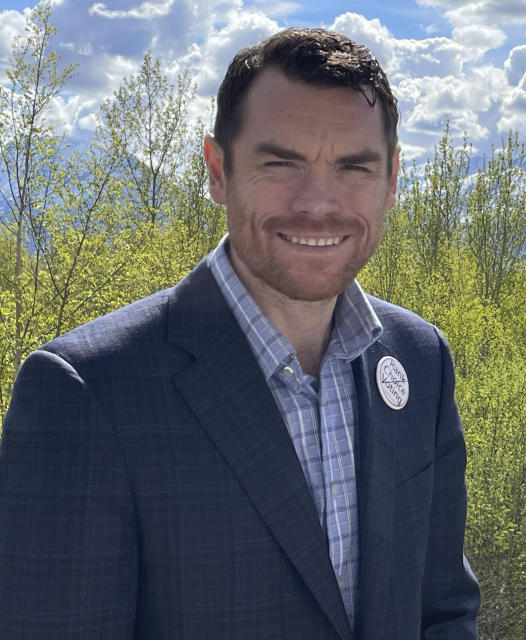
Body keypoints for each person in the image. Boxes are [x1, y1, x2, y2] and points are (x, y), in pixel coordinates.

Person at [0, 28, 480, 639]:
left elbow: (442, 612)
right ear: (218, 171)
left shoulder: (420, 360)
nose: (318, 204)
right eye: (282, 163)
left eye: (354, 167)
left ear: (390, 182)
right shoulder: (85, 392)